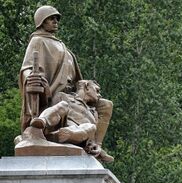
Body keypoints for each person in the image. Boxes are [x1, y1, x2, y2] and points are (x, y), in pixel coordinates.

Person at [19, 5, 113, 162]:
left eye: (56, 19)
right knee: (64, 107)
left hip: (72, 93)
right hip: (54, 93)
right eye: (51, 18)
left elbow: (77, 77)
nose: (55, 21)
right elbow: (27, 68)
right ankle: (43, 125)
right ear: (41, 22)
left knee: (105, 105)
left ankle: (96, 144)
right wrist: (30, 78)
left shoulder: (62, 45)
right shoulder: (38, 40)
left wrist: (85, 90)